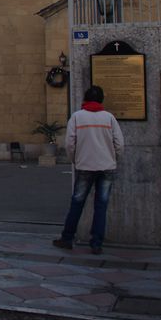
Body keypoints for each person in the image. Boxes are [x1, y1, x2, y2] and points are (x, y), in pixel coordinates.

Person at [52, 85, 124, 255]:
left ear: (85, 99)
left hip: (85, 166)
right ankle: (96, 243)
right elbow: (119, 144)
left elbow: (70, 143)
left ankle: (67, 238)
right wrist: (114, 159)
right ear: (101, 100)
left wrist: (75, 160)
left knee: (77, 203)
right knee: (101, 205)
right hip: (106, 167)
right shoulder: (109, 118)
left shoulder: (77, 117)